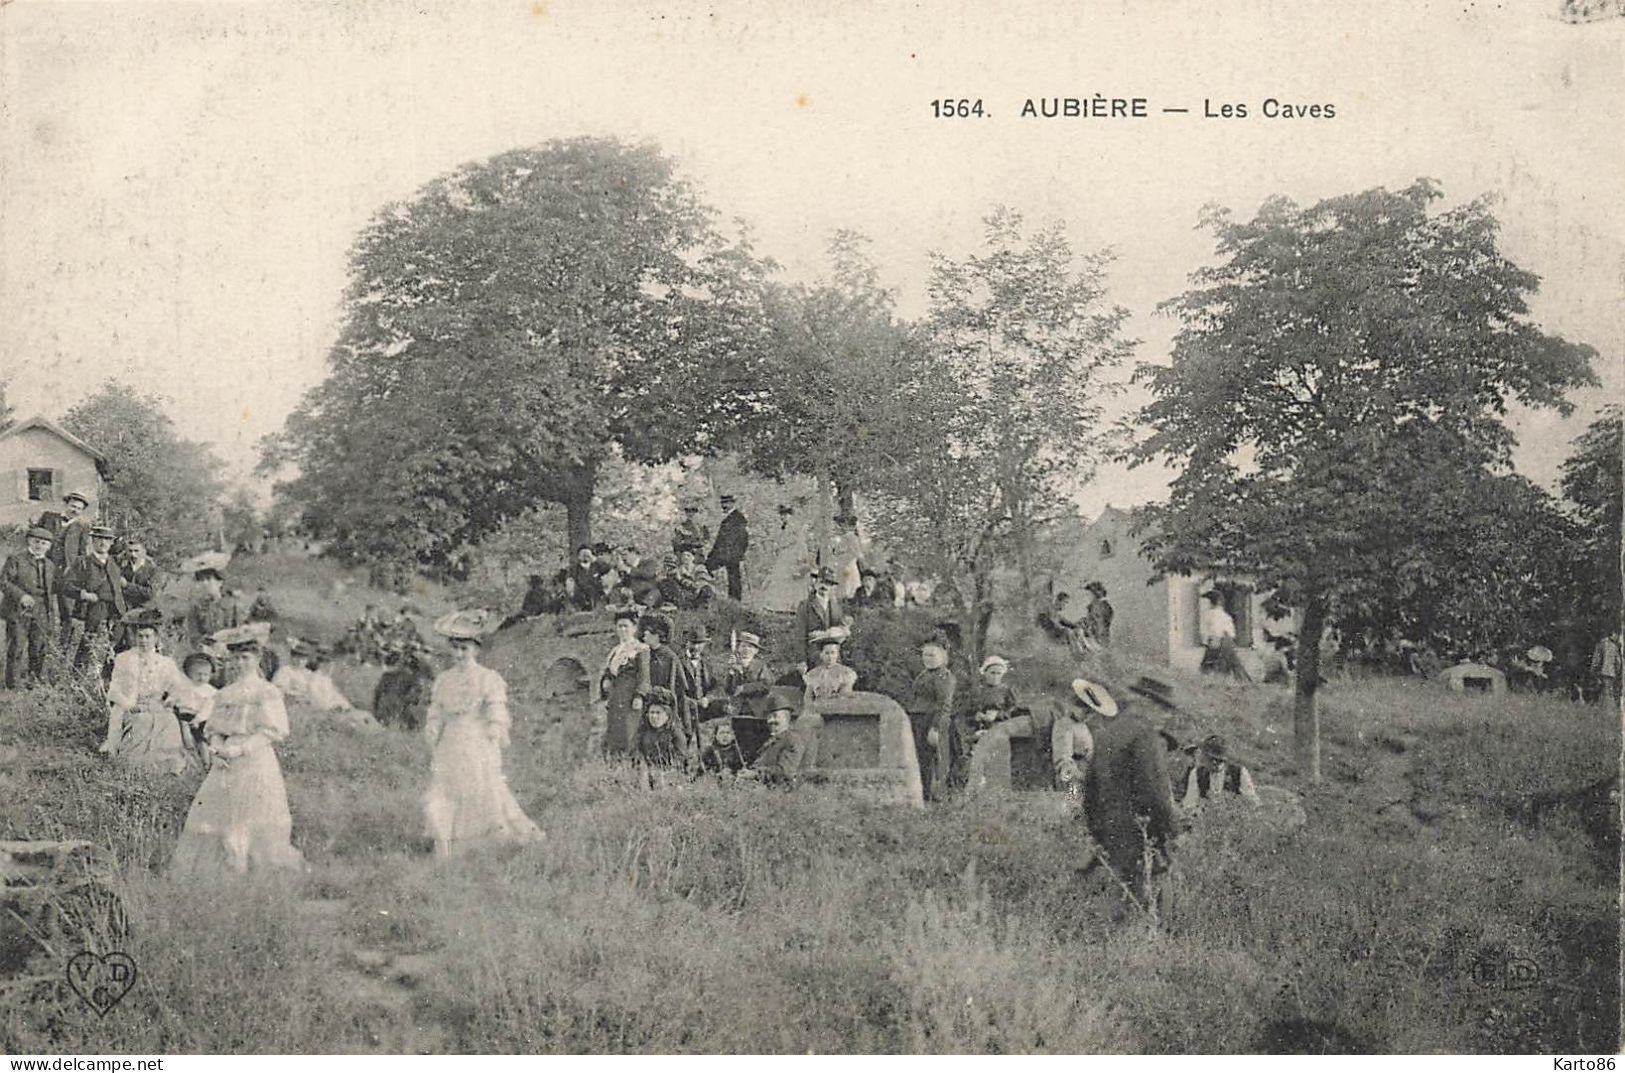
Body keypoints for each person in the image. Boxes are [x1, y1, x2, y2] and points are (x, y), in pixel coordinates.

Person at [170, 623, 306, 876]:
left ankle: (257, 866)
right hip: (225, 759)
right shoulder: (225, 694)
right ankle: (223, 867)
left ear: (256, 660)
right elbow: (213, 729)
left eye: (245, 658)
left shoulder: (267, 692)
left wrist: (240, 750)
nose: (240, 663)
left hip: (255, 756)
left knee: (254, 811)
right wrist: (219, 748)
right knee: (219, 812)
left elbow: (271, 731)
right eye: (235, 658)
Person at [421, 609, 543, 857]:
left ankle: (486, 843)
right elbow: (436, 709)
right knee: (447, 788)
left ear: (475, 650)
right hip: (451, 742)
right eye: (454, 648)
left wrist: (495, 728)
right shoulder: (444, 680)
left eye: (464, 649)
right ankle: (447, 844)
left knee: (480, 786)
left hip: (476, 740)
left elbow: (496, 707)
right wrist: (433, 726)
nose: (458, 654)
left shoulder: (487, 678)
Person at [1078, 678, 1186, 909]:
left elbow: (1089, 787)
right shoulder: (1144, 734)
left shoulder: (1108, 731)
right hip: (1138, 831)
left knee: (1119, 895)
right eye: (1163, 709)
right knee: (1146, 900)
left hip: (1109, 829)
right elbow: (1153, 790)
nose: (1165, 716)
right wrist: (1172, 831)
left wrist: (1096, 829)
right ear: (1149, 703)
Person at [99, 608, 193, 774]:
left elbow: (177, 688)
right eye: (140, 636)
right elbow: (114, 689)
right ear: (135, 637)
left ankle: (166, 766)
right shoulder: (124, 659)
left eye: (148, 636)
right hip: (132, 705)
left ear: (156, 638)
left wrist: (170, 700)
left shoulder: (166, 663)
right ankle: (135, 764)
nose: (144, 641)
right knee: (141, 721)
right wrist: (128, 704)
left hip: (157, 706)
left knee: (170, 720)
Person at [1, 527, 59, 688]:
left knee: (38, 645)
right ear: (29, 541)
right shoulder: (16, 559)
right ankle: (12, 684)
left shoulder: (50, 564)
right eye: (36, 541)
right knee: (17, 644)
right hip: (18, 609)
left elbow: (52, 588)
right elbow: (4, 582)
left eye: (44, 543)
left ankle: (34, 680)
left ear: (49, 546)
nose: (39, 545)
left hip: (41, 608)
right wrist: (21, 596)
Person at [61, 525, 126, 664]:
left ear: (111, 543)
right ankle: (78, 680)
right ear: (92, 540)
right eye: (99, 539)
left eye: (107, 540)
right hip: (93, 609)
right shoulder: (82, 561)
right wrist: (83, 594)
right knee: (87, 647)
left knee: (112, 649)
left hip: (115, 610)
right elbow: (66, 586)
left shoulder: (114, 564)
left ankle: (104, 682)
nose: (103, 543)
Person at [904, 641, 956, 802]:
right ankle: (920, 794)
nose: (928, 658)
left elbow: (944, 704)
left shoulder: (944, 676)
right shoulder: (924, 675)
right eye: (925, 655)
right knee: (918, 758)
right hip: (917, 719)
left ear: (942, 657)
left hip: (931, 720)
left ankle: (932, 797)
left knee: (932, 760)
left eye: (932, 655)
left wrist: (935, 728)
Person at [640, 613, 697, 760]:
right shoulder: (643, 654)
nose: (643, 636)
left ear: (657, 635)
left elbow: (679, 690)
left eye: (648, 633)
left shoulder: (669, 657)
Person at [599, 609, 651, 757]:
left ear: (634, 628)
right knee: (615, 734)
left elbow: (644, 675)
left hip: (630, 697)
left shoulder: (640, 649)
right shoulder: (616, 650)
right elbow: (609, 672)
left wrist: (639, 696)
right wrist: (606, 681)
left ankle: (631, 767)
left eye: (625, 626)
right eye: (619, 626)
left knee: (630, 733)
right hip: (615, 698)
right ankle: (617, 768)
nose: (622, 630)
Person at [741, 687, 814, 786]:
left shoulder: (792, 739)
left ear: (786, 717)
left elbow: (785, 772)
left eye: (775, 716)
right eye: (769, 717)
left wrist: (754, 774)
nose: (770, 721)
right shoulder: (772, 740)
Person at [1178, 735, 1261, 812]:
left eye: (1220, 761)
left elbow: (1253, 802)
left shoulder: (1239, 773)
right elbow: (1190, 803)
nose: (1215, 763)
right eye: (1211, 759)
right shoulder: (1196, 774)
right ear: (1205, 756)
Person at [1052, 679, 1103, 800]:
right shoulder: (1064, 724)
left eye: (1091, 713)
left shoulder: (1083, 726)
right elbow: (1063, 759)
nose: (1088, 716)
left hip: (1086, 774)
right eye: (1085, 710)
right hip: (1071, 778)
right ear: (1075, 706)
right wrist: (1080, 777)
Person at [183, 552, 239, 658]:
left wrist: (227, 647)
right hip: (206, 656)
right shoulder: (196, 607)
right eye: (201, 580)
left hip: (231, 655)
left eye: (208, 579)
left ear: (219, 582)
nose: (205, 583)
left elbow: (242, 631)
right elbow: (194, 636)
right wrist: (205, 648)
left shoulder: (232, 605)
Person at [793, 567, 849, 667]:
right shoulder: (805, 606)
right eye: (821, 581)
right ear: (815, 584)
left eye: (828, 583)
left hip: (834, 658)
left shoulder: (837, 606)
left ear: (832, 587)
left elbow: (844, 630)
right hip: (814, 657)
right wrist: (801, 661)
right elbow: (799, 636)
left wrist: (825, 634)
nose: (824, 585)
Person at [1199, 590, 1253, 683]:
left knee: (1208, 669)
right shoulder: (1226, 616)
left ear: (1211, 603)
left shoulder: (1208, 615)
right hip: (1227, 643)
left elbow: (1204, 633)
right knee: (1233, 667)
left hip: (1215, 642)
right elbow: (1232, 634)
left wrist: (1207, 643)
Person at [680, 624, 730, 721]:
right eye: (693, 643)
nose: (696, 647)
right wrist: (690, 702)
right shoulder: (678, 661)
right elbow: (673, 688)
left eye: (700, 643)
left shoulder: (707, 663)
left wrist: (708, 698)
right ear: (687, 643)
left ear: (704, 644)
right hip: (684, 707)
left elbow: (717, 686)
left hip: (703, 706)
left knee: (726, 706)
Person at [706, 493, 749, 601]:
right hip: (725, 553)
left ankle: (734, 601)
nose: (724, 505)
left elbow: (743, 538)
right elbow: (720, 540)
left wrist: (740, 553)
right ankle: (731, 600)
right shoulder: (729, 518)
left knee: (733, 577)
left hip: (731, 554)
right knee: (731, 576)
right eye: (722, 503)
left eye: (726, 503)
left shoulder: (738, 518)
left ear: (732, 503)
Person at [633, 686, 685, 774]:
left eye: (658, 713)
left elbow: (679, 760)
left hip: (668, 775)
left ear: (667, 715)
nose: (654, 717)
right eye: (652, 712)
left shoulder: (675, 734)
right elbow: (636, 754)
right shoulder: (643, 732)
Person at [38, 490, 92, 574]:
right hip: (45, 560)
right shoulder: (48, 517)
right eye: (73, 506)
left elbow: (82, 550)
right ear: (66, 505)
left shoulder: (83, 527)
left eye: (79, 509)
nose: (75, 510)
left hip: (66, 565)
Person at [802, 630, 858, 700]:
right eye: (827, 653)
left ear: (837, 654)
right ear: (821, 655)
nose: (830, 657)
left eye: (833, 653)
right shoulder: (813, 674)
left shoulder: (845, 673)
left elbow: (845, 695)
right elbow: (808, 697)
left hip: (836, 708)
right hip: (817, 708)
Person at [119, 536, 159, 611]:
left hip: (145, 610)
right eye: (130, 551)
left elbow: (151, 593)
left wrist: (127, 585)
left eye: (136, 551)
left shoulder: (151, 569)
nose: (133, 554)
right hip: (125, 609)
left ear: (144, 552)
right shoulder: (122, 567)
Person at [568, 545, 605, 612]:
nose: (585, 556)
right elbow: (572, 582)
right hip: (581, 597)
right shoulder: (574, 569)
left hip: (597, 596)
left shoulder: (597, 566)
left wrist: (595, 559)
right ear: (578, 556)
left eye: (588, 554)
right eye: (583, 554)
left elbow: (608, 568)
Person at [1591, 630, 1622, 704]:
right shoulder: (1614, 646)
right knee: (1609, 691)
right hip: (1611, 672)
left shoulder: (1601, 644)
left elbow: (1596, 659)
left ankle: (1602, 706)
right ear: (1613, 634)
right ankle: (1607, 707)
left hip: (1602, 671)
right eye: (1617, 635)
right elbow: (1618, 662)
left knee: (1603, 690)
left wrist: (1593, 669)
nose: (1618, 637)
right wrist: (1617, 671)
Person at [1084, 582, 1114, 647]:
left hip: (1098, 638)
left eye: (1090, 594)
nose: (1088, 596)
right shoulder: (1093, 606)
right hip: (1094, 636)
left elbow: (1102, 622)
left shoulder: (1101, 606)